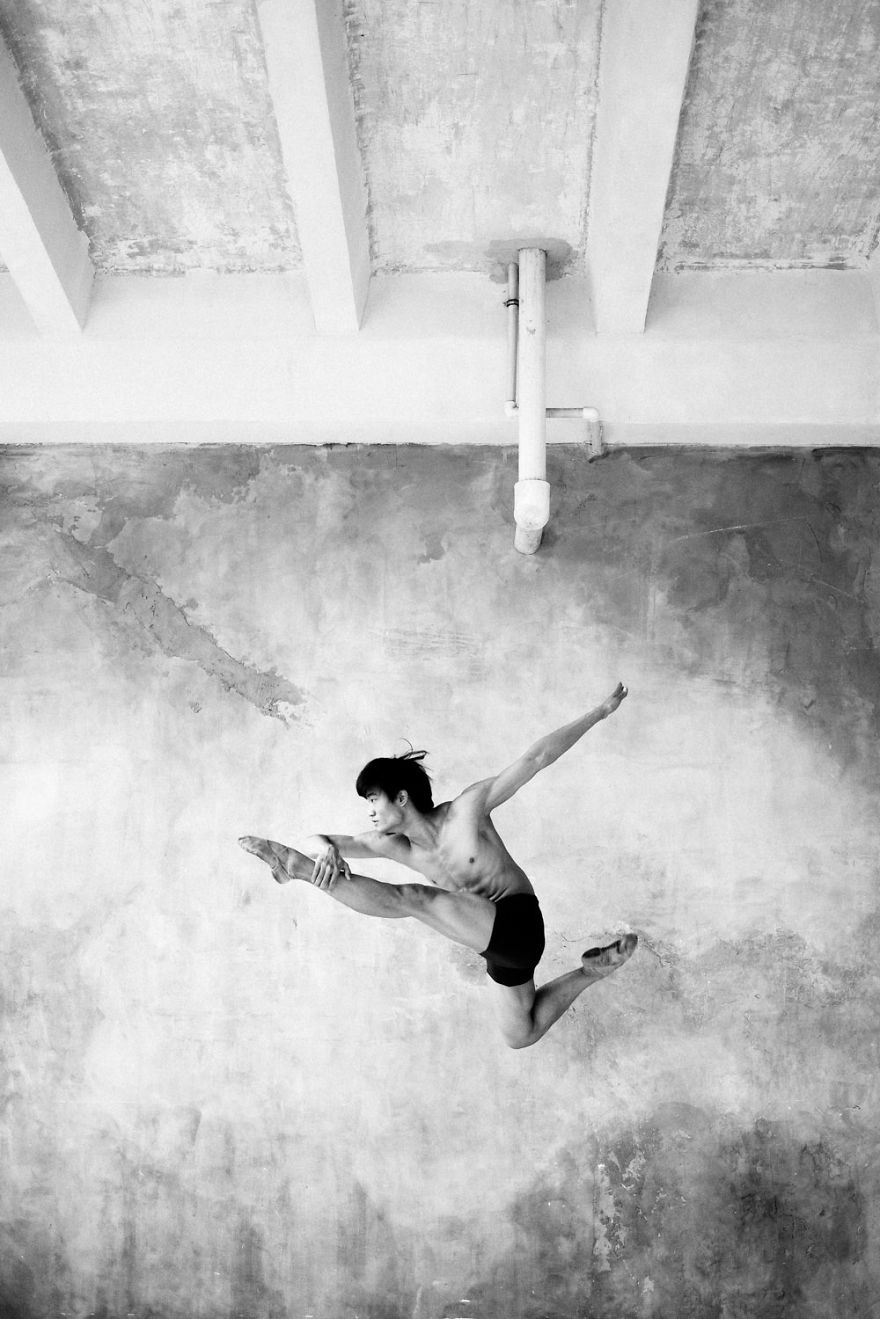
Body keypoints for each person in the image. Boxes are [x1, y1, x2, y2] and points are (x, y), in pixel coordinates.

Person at [239, 683, 636, 1049]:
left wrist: (599, 711)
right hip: (498, 951)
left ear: (401, 798)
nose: (370, 812)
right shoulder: (393, 846)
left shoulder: (467, 811)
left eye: (373, 799)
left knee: (414, 899)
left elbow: (536, 758)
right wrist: (324, 850)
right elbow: (320, 837)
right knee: (521, 1034)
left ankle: (296, 868)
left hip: (518, 922)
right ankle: (592, 972)